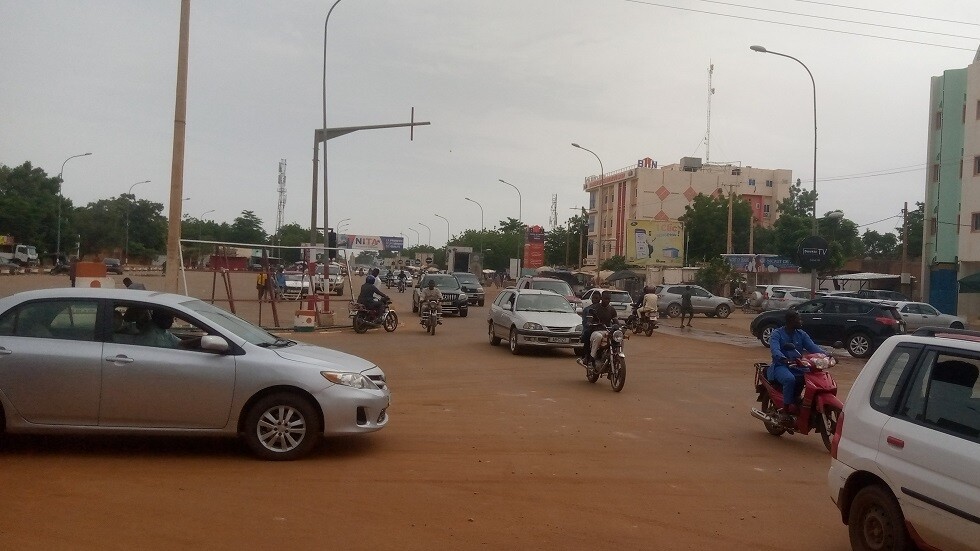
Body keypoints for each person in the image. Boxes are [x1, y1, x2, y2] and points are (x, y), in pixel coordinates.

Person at [768, 311, 823, 422]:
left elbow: (813, 347)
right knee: (789, 379)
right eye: (799, 320)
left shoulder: (801, 334)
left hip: (798, 366)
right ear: (791, 321)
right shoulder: (777, 334)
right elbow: (775, 349)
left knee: (814, 378)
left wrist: (827, 355)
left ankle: (803, 403)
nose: (801, 322)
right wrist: (782, 358)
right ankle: (785, 411)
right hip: (781, 366)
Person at [588, 292, 619, 369]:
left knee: (619, 339)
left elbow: (616, 321)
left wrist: (620, 327)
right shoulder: (594, 308)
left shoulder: (612, 310)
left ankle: (616, 356)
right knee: (599, 336)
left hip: (607, 331)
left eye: (609, 299)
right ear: (601, 298)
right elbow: (589, 320)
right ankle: (592, 358)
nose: (607, 300)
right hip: (596, 331)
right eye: (606, 298)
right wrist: (590, 323)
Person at [577, 292, 602, 367]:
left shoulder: (604, 308)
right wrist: (589, 325)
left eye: (596, 298)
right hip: (590, 329)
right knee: (587, 334)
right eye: (593, 298)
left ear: (600, 299)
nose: (595, 300)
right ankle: (586, 357)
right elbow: (585, 322)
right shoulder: (587, 309)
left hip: (601, 329)